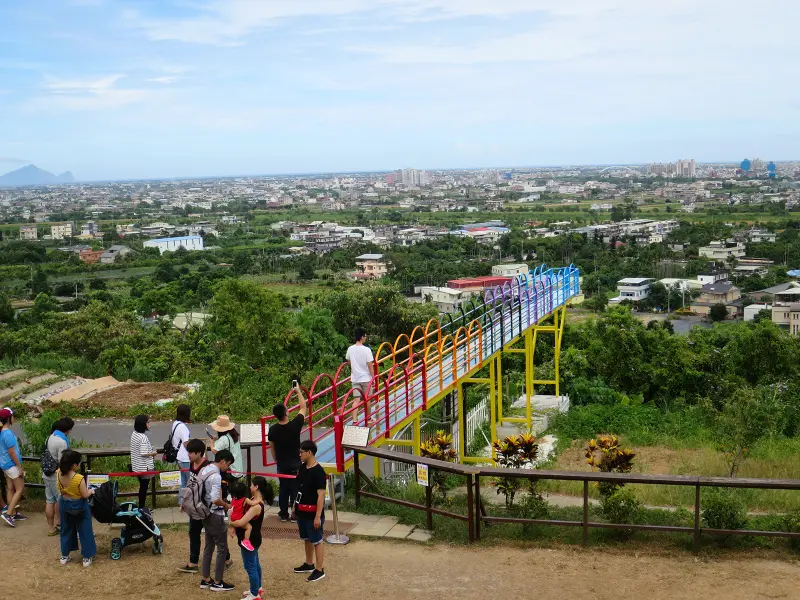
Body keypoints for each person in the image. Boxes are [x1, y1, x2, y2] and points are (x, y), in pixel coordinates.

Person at [229, 476, 274, 600]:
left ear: (256, 487)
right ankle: (257, 588)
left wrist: (230, 522)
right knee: (255, 564)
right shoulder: (254, 500)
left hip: (250, 540)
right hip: (254, 538)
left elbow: (241, 522)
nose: (250, 487)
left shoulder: (256, 506)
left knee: (250, 566)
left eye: (252, 485)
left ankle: (254, 594)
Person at [268, 385, 308, 522]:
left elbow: (271, 447)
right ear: (286, 413)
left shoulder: (273, 430)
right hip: (296, 463)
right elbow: (303, 407)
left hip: (282, 464)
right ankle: (295, 513)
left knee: (283, 488)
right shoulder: (295, 425)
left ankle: (283, 513)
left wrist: (276, 460)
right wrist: (297, 391)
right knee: (296, 488)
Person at [199, 449, 235, 592]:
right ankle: (218, 582)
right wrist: (226, 505)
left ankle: (206, 578)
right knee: (221, 548)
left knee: (208, 546)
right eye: (228, 464)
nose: (228, 467)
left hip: (204, 512)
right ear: (223, 461)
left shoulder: (205, 470)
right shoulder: (216, 476)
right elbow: (215, 499)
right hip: (215, 514)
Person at [292, 440, 327, 583]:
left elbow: (321, 495)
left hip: (313, 513)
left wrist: (318, 516)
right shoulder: (302, 468)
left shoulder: (319, 472)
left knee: (317, 540)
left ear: (309, 452)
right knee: (306, 538)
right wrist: (295, 505)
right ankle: (309, 563)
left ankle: (319, 569)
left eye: (302, 452)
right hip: (301, 510)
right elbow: (299, 488)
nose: (299, 454)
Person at [57, 449, 96, 567]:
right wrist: (91, 491)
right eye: (78, 463)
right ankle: (87, 557)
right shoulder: (78, 478)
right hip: (79, 505)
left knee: (66, 529)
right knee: (85, 530)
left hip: (64, 504)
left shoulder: (58, 473)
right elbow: (84, 495)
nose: (79, 465)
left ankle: (64, 555)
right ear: (74, 465)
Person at [178, 437, 209, 574]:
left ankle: (226, 559)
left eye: (191, 452)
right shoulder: (192, 465)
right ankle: (193, 562)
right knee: (194, 532)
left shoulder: (207, 467)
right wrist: (184, 501)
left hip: (205, 507)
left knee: (213, 533)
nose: (188, 455)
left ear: (198, 453)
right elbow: (190, 485)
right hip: (194, 507)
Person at [44, 417, 74, 535]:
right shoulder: (62, 442)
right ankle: (61, 524)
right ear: (68, 429)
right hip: (56, 476)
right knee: (61, 500)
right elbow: (64, 462)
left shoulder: (50, 437)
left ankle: (51, 528)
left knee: (50, 501)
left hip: (47, 474)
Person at [0, 408, 25, 527]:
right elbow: (12, 452)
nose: (14, 417)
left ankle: (13, 513)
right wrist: (19, 467)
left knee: (10, 488)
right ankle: (9, 513)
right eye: (12, 416)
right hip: (12, 465)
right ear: (9, 418)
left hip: (5, 465)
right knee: (19, 489)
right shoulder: (8, 433)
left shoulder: (2, 432)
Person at [346, 328, 374, 425]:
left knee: (356, 400)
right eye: (365, 336)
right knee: (368, 399)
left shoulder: (350, 349)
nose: (365, 338)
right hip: (366, 378)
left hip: (355, 378)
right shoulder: (366, 350)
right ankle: (368, 418)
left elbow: (349, 361)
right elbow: (370, 365)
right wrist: (373, 377)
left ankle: (354, 420)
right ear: (362, 337)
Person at [209, 415, 242, 497]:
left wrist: (211, 442)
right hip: (237, 469)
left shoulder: (224, 438)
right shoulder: (233, 435)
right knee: (234, 494)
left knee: (226, 492)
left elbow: (215, 451)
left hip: (229, 469)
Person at [130, 415, 158, 508]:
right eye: (148, 422)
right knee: (144, 488)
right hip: (144, 467)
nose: (149, 424)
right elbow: (144, 453)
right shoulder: (143, 437)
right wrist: (153, 453)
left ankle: (141, 507)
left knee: (142, 487)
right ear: (143, 424)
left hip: (136, 466)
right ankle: (141, 508)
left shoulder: (134, 434)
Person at [228, 480, 259, 551]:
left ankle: (233, 530)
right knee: (249, 527)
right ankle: (246, 540)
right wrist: (259, 500)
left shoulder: (233, 499)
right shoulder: (245, 499)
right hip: (239, 517)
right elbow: (252, 503)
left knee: (235, 524)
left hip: (233, 516)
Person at [172, 404, 192, 506]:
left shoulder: (175, 424)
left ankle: (181, 502)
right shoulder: (183, 427)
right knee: (190, 481)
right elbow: (186, 443)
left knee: (183, 482)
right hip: (185, 458)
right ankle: (188, 502)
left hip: (178, 457)